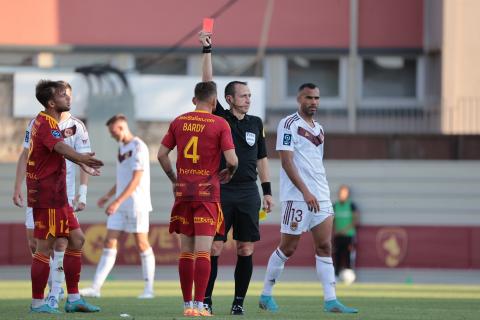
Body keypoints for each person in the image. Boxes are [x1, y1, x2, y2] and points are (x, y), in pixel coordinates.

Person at [258, 83, 358, 314]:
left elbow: (315, 164)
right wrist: (305, 191)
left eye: (317, 98)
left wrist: (318, 191)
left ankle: (331, 300)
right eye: (309, 97)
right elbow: (287, 161)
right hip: (298, 197)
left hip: (321, 196)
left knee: (325, 246)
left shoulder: (320, 129)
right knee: (288, 248)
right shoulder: (288, 123)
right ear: (299, 98)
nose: (314, 102)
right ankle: (266, 294)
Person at [199, 31, 274, 316]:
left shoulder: (256, 123)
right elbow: (207, 83)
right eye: (243, 95)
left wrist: (266, 192)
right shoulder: (220, 117)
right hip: (222, 191)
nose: (248, 99)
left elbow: (263, 159)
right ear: (229, 99)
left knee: (245, 249)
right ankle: (206, 300)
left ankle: (238, 302)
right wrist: (207, 50)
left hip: (248, 193)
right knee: (215, 248)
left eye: (250, 95)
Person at [157, 81, 238, 317]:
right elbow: (232, 161)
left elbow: (162, 154)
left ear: (195, 100)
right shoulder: (220, 123)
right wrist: (229, 173)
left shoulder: (179, 121)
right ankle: (200, 305)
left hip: (184, 193)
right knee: (204, 252)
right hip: (207, 194)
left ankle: (186, 306)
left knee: (186, 252)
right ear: (214, 102)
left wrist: (174, 178)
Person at [25, 79, 103, 313]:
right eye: (62, 95)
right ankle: (38, 302)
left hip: (58, 195)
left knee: (77, 239)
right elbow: (59, 148)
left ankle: (73, 298)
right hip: (47, 195)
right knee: (44, 247)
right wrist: (83, 158)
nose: (68, 97)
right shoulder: (46, 124)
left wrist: (82, 164)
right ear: (51, 102)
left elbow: (57, 151)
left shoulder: (47, 121)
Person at [80, 114, 156, 299]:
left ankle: (149, 290)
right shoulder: (122, 147)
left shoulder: (139, 146)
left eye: (113, 132)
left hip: (137, 204)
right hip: (120, 205)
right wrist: (107, 196)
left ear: (121, 128)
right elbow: (123, 179)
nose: (112, 136)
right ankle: (96, 288)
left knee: (141, 243)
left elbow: (136, 178)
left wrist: (116, 201)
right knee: (109, 241)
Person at [333, 185, 359, 277]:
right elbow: (332, 220)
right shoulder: (335, 206)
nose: (342, 195)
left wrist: (343, 230)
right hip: (337, 236)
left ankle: (350, 275)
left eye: (344, 193)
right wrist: (335, 231)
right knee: (337, 255)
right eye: (341, 193)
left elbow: (355, 221)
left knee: (348, 256)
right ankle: (336, 275)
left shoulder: (351, 205)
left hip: (349, 235)